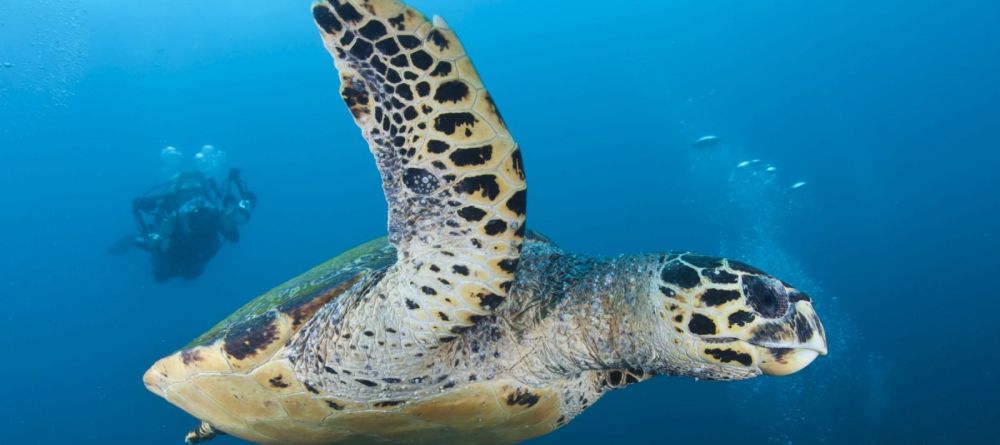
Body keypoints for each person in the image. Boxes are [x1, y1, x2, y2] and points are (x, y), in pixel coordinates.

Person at [131, 168, 256, 281]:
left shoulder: (211, 212)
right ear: (177, 195)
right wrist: (164, 234)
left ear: (203, 192)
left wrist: (226, 221)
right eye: (186, 192)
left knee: (191, 275)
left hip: (197, 265)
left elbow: (234, 237)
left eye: (196, 191)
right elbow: (155, 246)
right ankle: (128, 240)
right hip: (170, 264)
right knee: (160, 276)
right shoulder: (170, 215)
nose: (193, 197)